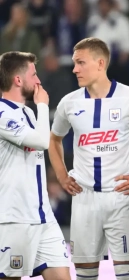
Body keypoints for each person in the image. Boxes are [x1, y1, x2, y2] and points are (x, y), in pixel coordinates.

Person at [49, 37, 129, 280]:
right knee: (85, 273)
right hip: (84, 197)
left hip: (120, 196)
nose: (74, 69)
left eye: (80, 63)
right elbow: (54, 139)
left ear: (100, 63)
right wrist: (61, 174)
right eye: (74, 63)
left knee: (127, 273)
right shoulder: (69, 103)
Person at [0, 51, 70, 279]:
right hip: (14, 218)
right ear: (18, 80)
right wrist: (42, 106)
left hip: (43, 217)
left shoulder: (28, 113)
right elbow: (41, 142)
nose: (39, 81)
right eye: (34, 74)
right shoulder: (2, 114)